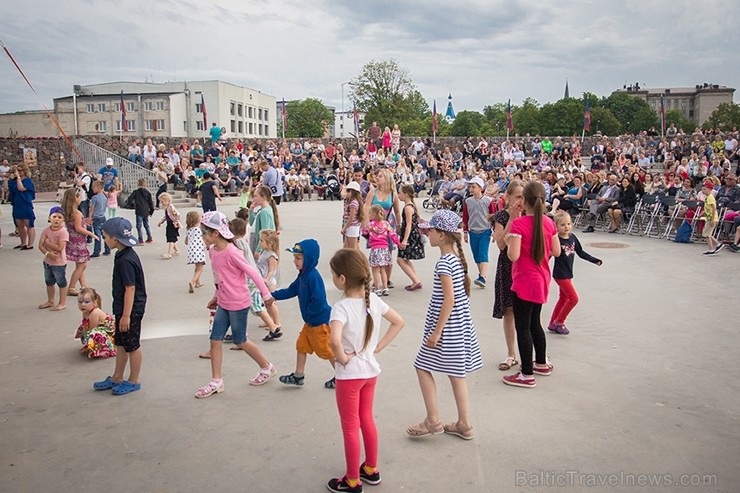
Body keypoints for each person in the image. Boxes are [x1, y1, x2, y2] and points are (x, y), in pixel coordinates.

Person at [326, 248, 405, 493]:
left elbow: (334, 341)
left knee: (350, 426)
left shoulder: (341, 308)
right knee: (367, 419)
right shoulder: (373, 301)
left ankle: (352, 480)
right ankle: (370, 468)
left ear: (341, 279)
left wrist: (342, 359)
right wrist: (376, 348)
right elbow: (399, 321)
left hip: (350, 376)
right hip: (370, 372)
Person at [407, 209, 482, 440]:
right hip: (458, 326)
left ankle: (433, 420)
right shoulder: (456, 259)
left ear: (442, 235)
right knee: (456, 374)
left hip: (446, 329)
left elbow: (448, 299)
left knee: (422, 365)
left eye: (430, 230)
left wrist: (437, 331)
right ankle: (464, 424)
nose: (427, 234)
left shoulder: (443, 264)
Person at [195, 211, 277, 398]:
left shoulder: (233, 252)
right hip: (223, 302)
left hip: (239, 302)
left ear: (216, 233)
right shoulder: (213, 252)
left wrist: (266, 295)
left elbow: (253, 272)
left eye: (204, 233)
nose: (203, 237)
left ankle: (267, 367)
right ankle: (216, 381)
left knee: (241, 340)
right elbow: (219, 277)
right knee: (215, 339)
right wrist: (216, 296)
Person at [502, 181, 561, 389]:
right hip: (542, 278)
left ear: (524, 201)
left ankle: (526, 373)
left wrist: (511, 235)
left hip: (525, 281)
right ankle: (541, 362)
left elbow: (513, 255)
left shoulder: (519, 225)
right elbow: (556, 251)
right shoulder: (549, 223)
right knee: (535, 322)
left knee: (523, 326)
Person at [93, 217, 147, 395]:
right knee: (122, 343)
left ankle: (134, 380)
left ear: (115, 239)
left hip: (130, 310)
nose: (104, 239)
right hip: (124, 308)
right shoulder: (123, 254)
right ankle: (117, 376)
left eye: (105, 236)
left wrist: (126, 315)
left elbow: (130, 288)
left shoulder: (126, 260)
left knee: (132, 344)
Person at [274, 239, 337, 389]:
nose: (295, 261)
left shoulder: (312, 277)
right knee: (301, 346)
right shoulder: (302, 275)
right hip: (310, 323)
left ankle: (343, 376)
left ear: (308, 259)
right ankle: (298, 376)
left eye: (298, 258)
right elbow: (291, 290)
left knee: (327, 351)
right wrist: (273, 295)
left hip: (319, 323)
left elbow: (319, 300)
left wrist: (309, 313)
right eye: (294, 257)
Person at [548, 212, 602, 334]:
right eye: (562, 225)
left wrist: (594, 260)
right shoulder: (556, 239)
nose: (566, 227)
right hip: (560, 274)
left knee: (563, 298)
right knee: (573, 299)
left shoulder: (572, 238)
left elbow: (581, 252)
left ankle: (552, 323)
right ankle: (559, 322)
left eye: (568, 224)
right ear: (556, 227)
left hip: (568, 273)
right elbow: (549, 255)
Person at [491, 179, 524, 371]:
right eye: (517, 196)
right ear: (508, 197)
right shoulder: (501, 217)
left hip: (525, 267)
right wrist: (512, 218)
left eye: (523, 197)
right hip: (507, 267)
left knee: (527, 313)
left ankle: (531, 352)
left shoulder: (530, 215)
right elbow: (501, 245)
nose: (521, 200)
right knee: (509, 311)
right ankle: (511, 353)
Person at [61, 188, 98, 296]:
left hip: (72, 240)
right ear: (75, 198)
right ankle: (71, 287)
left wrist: (84, 221)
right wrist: (90, 233)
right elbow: (78, 228)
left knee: (79, 264)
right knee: (82, 265)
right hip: (78, 241)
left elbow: (74, 225)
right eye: (78, 196)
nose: (80, 198)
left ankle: (83, 285)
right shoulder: (77, 213)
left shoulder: (68, 212)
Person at [462, 176, 496, 288]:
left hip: (485, 231)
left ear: (480, 188)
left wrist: (495, 230)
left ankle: (483, 276)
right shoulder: (468, 201)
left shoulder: (488, 201)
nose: (471, 189)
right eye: (470, 187)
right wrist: (465, 232)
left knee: (483, 253)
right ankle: (481, 274)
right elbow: (465, 217)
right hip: (473, 231)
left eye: (474, 187)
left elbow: (493, 216)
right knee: (476, 254)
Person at [363, 205, 401, 297]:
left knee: (375, 270)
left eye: (369, 213)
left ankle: (377, 288)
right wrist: (399, 244)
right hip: (385, 249)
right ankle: (385, 287)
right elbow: (392, 235)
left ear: (373, 214)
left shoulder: (371, 225)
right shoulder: (386, 224)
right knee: (383, 270)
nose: (368, 215)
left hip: (375, 249)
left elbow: (364, 232)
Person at [38, 206, 69, 311]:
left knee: (61, 282)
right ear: (49, 218)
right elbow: (40, 246)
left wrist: (47, 243)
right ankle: (50, 301)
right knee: (49, 281)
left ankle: (62, 302)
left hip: (59, 263)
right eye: (54, 216)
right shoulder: (46, 231)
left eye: (60, 217)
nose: (56, 219)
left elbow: (60, 247)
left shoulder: (63, 232)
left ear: (63, 220)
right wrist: (47, 253)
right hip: (48, 262)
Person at [396, 184, 425, 291]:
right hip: (411, 236)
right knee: (406, 259)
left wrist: (404, 240)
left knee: (400, 259)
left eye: (400, 192)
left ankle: (416, 280)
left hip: (409, 237)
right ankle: (415, 279)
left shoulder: (408, 208)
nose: (398, 195)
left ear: (406, 194)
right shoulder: (411, 205)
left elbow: (409, 225)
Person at [74, 287, 116, 358]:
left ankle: (105, 348)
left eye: (87, 302)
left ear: (94, 302)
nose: (82, 305)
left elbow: (92, 330)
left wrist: (89, 346)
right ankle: (89, 346)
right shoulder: (85, 313)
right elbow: (85, 328)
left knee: (95, 333)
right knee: (81, 328)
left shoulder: (95, 313)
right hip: (100, 329)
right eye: (80, 302)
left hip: (111, 334)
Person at [8, 163, 36, 250]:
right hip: (17, 205)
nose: (18, 172)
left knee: (29, 225)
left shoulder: (27, 180)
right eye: (17, 170)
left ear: (25, 171)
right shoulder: (15, 180)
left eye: (20, 170)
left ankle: (30, 244)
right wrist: (8, 178)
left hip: (25, 204)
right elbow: (7, 188)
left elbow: (21, 188)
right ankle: (23, 243)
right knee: (20, 225)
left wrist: (18, 178)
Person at [248, 185, 279, 254]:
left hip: (261, 246)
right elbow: (252, 223)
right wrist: (251, 211)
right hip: (256, 241)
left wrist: (259, 250)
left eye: (256, 196)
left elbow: (265, 233)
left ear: (263, 197)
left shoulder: (264, 212)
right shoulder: (262, 210)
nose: (253, 199)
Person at [124, 178, 155, 244]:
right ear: (146, 184)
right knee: (146, 225)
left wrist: (131, 205)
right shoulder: (148, 193)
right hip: (146, 210)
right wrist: (151, 211)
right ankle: (149, 238)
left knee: (139, 225)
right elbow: (151, 203)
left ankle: (140, 240)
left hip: (139, 210)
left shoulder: (136, 192)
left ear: (138, 184)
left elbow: (130, 199)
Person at [185, 211, 206, 293]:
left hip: (191, 251)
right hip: (199, 250)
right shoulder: (200, 230)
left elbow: (186, 242)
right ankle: (193, 281)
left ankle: (198, 282)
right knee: (200, 269)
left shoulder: (189, 230)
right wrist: (207, 246)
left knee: (197, 267)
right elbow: (205, 238)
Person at [701, 180, 723, 255]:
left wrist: (712, 219)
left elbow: (713, 208)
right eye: (702, 189)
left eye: (705, 189)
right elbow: (708, 209)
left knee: (707, 235)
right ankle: (718, 244)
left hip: (711, 218)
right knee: (708, 233)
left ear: (710, 189)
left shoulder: (710, 197)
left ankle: (711, 250)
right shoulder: (707, 198)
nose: (703, 191)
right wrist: (702, 214)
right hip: (709, 218)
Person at [156, 193, 181, 259]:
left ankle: (169, 253)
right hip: (169, 223)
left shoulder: (171, 207)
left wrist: (176, 222)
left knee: (171, 238)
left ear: (167, 200)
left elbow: (177, 214)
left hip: (172, 224)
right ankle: (177, 250)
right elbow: (166, 216)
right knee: (171, 237)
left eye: (162, 201)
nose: (162, 203)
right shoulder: (167, 208)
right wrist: (161, 222)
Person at [341, 182, 364, 249]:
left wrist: (344, 228)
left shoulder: (353, 203)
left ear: (353, 192)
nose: (347, 193)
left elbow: (351, 218)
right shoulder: (351, 202)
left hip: (352, 227)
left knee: (353, 247)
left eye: (348, 191)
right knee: (346, 246)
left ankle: (356, 259)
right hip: (350, 226)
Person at [88, 180, 108, 258]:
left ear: (98, 188)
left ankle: (97, 251)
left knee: (97, 235)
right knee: (105, 234)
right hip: (103, 216)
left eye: (94, 187)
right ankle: (107, 249)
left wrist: (90, 217)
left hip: (96, 218)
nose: (92, 189)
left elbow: (92, 209)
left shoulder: (94, 198)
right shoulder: (104, 196)